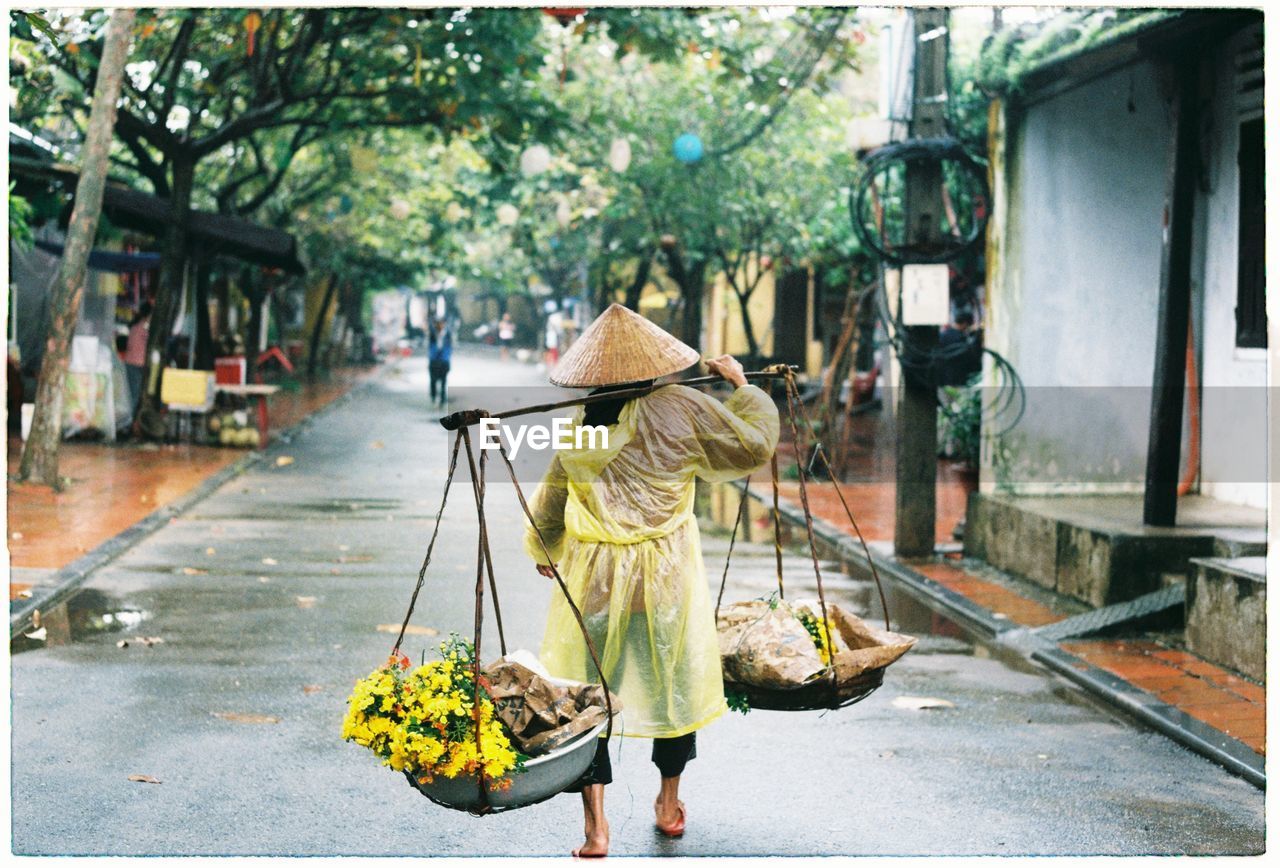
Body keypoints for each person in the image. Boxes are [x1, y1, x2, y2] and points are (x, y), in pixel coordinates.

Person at [522, 304, 779, 857]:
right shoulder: (680, 406)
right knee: (672, 684)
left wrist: (545, 545)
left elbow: (555, 495)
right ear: (652, 365)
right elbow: (751, 445)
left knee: (590, 700)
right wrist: (741, 387)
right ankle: (668, 802)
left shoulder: (585, 421)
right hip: (663, 577)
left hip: (595, 579)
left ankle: (596, 827)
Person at [123, 299, 152, 426]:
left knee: (131, 395)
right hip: (137, 365)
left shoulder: (134, 327)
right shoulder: (144, 328)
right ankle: (128, 424)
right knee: (134, 396)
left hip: (130, 363)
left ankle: (128, 423)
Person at [427, 317, 452, 408]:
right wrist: (435, 356)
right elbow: (431, 348)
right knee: (433, 380)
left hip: (444, 362)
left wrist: (445, 358)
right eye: (438, 324)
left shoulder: (447, 334)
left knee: (443, 381)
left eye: (441, 323)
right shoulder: (433, 334)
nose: (440, 325)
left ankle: (442, 399)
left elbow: (449, 349)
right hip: (434, 361)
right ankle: (433, 397)